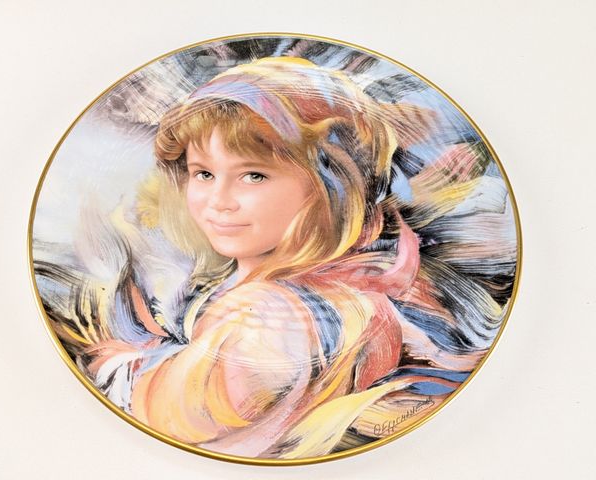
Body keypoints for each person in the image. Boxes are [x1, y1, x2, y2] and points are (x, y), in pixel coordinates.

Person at [43, 56, 502, 459]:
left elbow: (167, 413)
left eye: (254, 176)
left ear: (331, 187)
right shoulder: (356, 276)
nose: (218, 201)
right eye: (203, 173)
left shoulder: (271, 320)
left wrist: (112, 362)